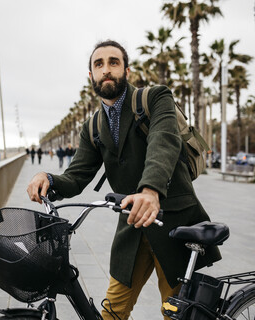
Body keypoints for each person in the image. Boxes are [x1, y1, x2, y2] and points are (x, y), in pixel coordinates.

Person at [27, 40, 221, 320]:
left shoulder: (155, 98)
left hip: (174, 222)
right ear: (91, 76)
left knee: (176, 314)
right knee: (112, 312)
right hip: (132, 227)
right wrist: (48, 179)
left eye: (113, 62)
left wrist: (151, 190)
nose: (106, 69)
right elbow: (77, 175)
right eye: (99, 64)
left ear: (126, 71)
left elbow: (163, 143)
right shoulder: (92, 126)